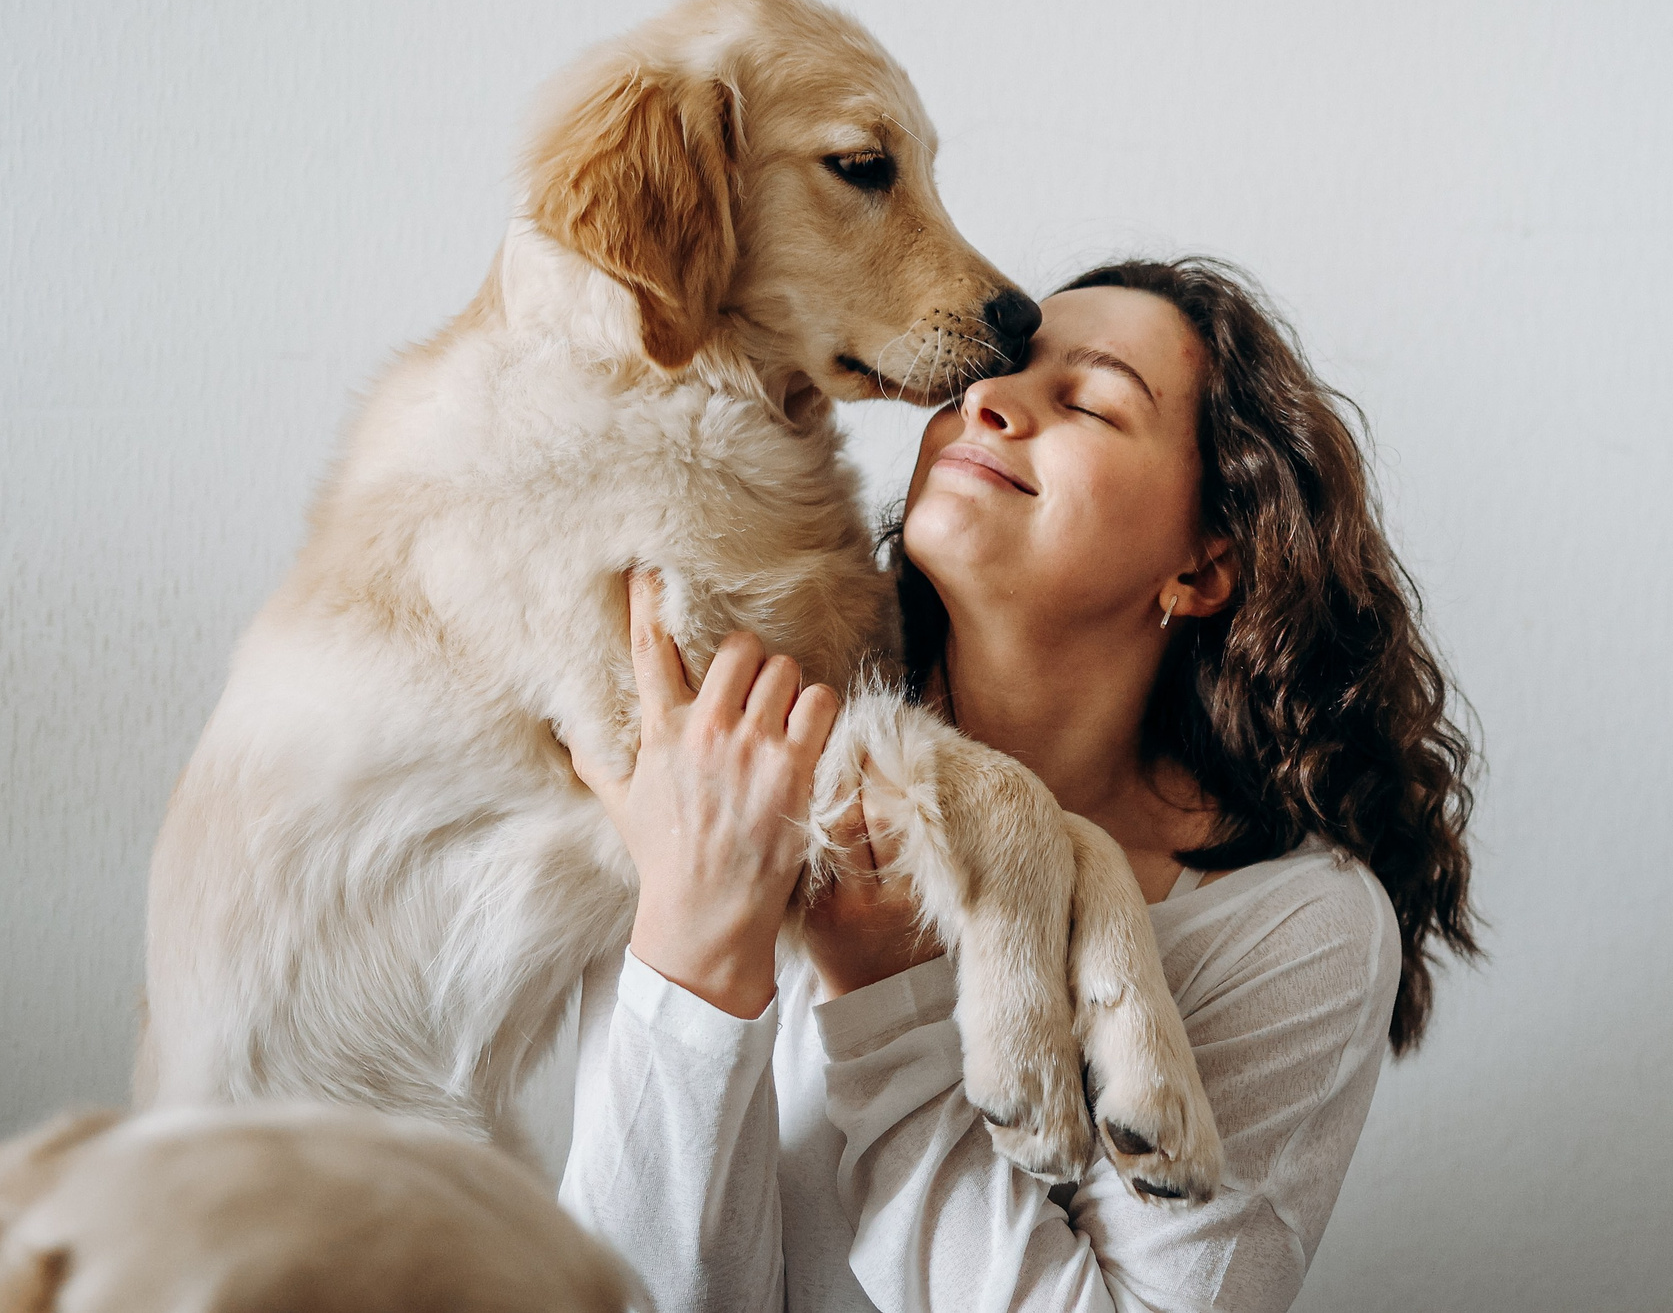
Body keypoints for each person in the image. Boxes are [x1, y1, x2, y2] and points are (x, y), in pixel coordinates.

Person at [557, 258, 1479, 1313]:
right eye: (981, 378)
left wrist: (888, 996)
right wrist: (694, 936)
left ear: (1200, 564)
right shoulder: (737, 742)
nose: (986, 401)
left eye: (1087, 400)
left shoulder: (1291, 918)